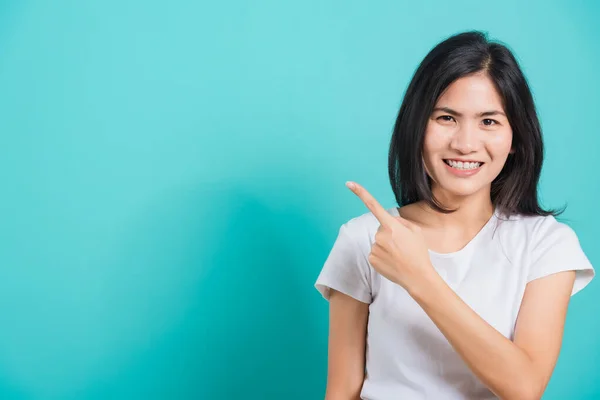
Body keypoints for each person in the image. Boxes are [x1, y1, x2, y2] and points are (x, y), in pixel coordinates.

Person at [314, 30, 595, 400]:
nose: (464, 143)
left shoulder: (546, 244)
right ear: (417, 126)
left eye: (489, 122)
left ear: (516, 139)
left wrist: (420, 277)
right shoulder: (364, 238)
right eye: (446, 117)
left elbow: (525, 386)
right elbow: (341, 392)